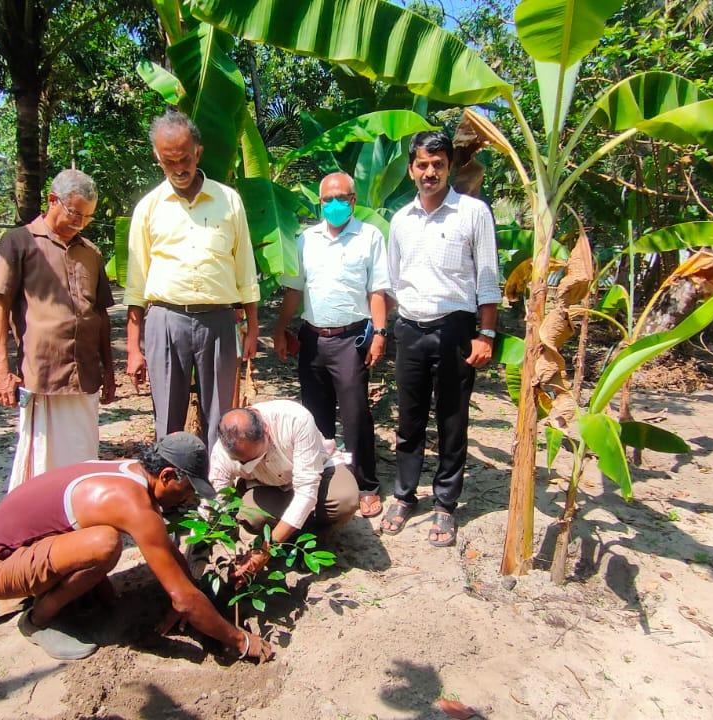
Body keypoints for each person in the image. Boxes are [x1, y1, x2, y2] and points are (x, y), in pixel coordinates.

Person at [0, 432, 274, 663]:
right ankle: (38, 620)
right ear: (166, 475)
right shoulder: (132, 504)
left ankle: (68, 596)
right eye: (187, 489)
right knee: (105, 543)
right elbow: (183, 600)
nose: (189, 498)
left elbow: (167, 552)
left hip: (19, 549)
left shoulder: (129, 472)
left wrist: (190, 588)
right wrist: (240, 640)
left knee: (103, 552)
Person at [382, 131, 500, 547]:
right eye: (422, 165)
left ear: (449, 166)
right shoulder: (400, 220)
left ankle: (446, 504)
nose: (429, 172)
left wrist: (485, 333)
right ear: (412, 169)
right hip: (411, 327)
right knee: (409, 419)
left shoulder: (472, 213)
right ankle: (404, 494)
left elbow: (487, 277)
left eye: (438, 164)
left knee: (452, 419)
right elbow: (394, 280)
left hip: (455, 327)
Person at [124, 110, 260, 453]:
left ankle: (218, 488)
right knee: (168, 416)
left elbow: (245, 268)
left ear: (197, 152)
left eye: (184, 158)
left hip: (218, 319)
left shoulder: (229, 200)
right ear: (158, 158)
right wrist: (132, 347)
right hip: (165, 321)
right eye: (169, 162)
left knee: (222, 416)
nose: (179, 168)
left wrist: (253, 327)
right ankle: (171, 485)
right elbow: (136, 284)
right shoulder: (148, 208)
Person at [0, 168, 116, 492]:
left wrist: (110, 372)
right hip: (42, 373)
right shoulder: (19, 242)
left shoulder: (91, 253)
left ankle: (78, 512)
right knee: (40, 461)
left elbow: (99, 314)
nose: (80, 223)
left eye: (88, 217)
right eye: (75, 213)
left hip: (84, 373)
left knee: (82, 454)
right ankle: (39, 519)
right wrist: (0, 371)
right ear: (52, 200)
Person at [273, 172, 390, 519]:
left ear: (353, 201)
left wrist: (381, 333)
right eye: (327, 199)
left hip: (351, 339)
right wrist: (281, 329)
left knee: (355, 415)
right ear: (320, 202)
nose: (334, 204)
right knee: (315, 415)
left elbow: (378, 290)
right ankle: (324, 481)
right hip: (312, 338)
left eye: (342, 198)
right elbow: (294, 289)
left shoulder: (369, 236)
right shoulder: (305, 239)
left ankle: (366, 485)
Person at [209, 401, 359, 582]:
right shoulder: (222, 452)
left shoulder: (295, 419)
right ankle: (287, 535)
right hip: (268, 486)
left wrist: (266, 549)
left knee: (344, 499)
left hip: (316, 475)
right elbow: (215, 502)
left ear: (266, 430)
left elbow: (306, 491)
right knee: (252, 515)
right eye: (243, 463)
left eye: (256, 458)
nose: (249, 465)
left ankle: (315, 534)